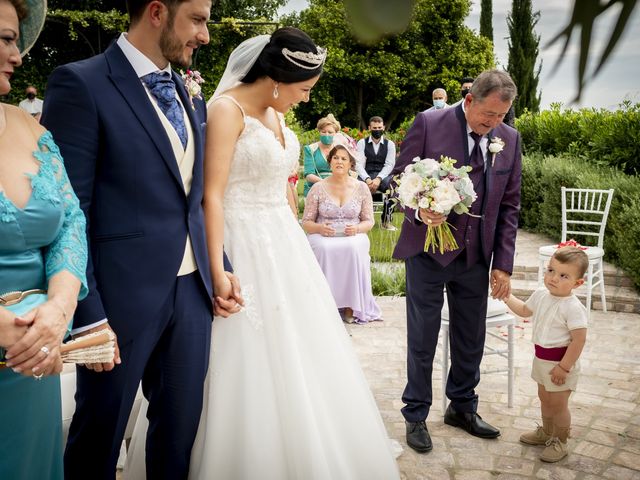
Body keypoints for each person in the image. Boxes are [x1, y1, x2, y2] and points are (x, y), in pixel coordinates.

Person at [125, 27, 401, 479]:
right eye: (304, 89)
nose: (307, 101)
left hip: (283, 243)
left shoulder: (278, 116)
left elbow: (282, 187)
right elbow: (210, 196)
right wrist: (216, 268)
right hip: (237, 241)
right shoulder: (226, 110)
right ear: (277, 77)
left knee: (303, 353)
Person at [40, 0, 241, 478]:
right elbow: (70, 212)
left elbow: (189, 197)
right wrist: (88, 317)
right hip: (117, 302)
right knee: (98, 438)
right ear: (157, 12)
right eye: (197, 20)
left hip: (191, 295)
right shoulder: (81, 83)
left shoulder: (187, 92)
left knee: (178, 437)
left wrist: (219, 266)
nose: (206, 36)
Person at [392, 69, 521, 453]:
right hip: (428, 252)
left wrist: (503, 263)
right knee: (423, 337)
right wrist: (419, 211)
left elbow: (510, 206)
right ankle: (415, 414)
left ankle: (462, 407)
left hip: (477, 256)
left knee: (471, 338)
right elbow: (401, 179)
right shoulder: (429, 123)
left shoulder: (509, 140)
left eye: (502, 116)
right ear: (469, 101)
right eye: (489, 115)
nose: (494, 124)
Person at [0, 0, 88, 478]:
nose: (17, 56)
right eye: (6, 39)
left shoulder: (28, 126)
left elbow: (70, 223)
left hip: (34, 364)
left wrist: (57, 312)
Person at [504, 246, 588, 463]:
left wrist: (564, 367)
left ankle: (560, 441)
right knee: (545, 398)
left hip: (561, 363)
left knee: (559, 404)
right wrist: (507, 297)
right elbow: (524, 310)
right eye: (551, 270)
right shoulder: (542, 295)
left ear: (578, 283)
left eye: (563, 275)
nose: (553, 278)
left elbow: (579, 340)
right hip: (541, 359)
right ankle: (547, 432)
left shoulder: (573, 307)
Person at [302, 142, 381, 324]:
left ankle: (351, 306)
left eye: (344, 159)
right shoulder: (317, 188)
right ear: (330, 162)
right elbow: (306, 222)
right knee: (322, 247)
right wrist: (320, 229)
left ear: (350, 164)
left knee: (353, 247)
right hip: (323, 234)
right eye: (335, 158)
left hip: (353, 234)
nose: (339, 161)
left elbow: (369, 221)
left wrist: (357, 229)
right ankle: (325, 303)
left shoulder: (361, 188)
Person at [355, 115, 397, 230]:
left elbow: (389, 164)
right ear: (369, 128)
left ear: (383, 127)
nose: (377, 130)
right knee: (356, 187)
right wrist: (367, 179)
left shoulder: (390, 145)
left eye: (379, 127)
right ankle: (358, 220)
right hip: (366, 174)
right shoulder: (362, 143)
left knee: (393, 188)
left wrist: (378, 179)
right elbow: (358, 164)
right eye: (374, 128)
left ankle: (386, 221)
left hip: (383, 175)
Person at [302, 113, 340, 197]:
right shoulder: (310, 149)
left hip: (337, 187)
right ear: (319, 132)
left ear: (336, 133)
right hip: (315, 187)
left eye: (330, 132)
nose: (327, 134)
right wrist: (326, 184)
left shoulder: (340, 149)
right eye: (323, 132)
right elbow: (308, 175)